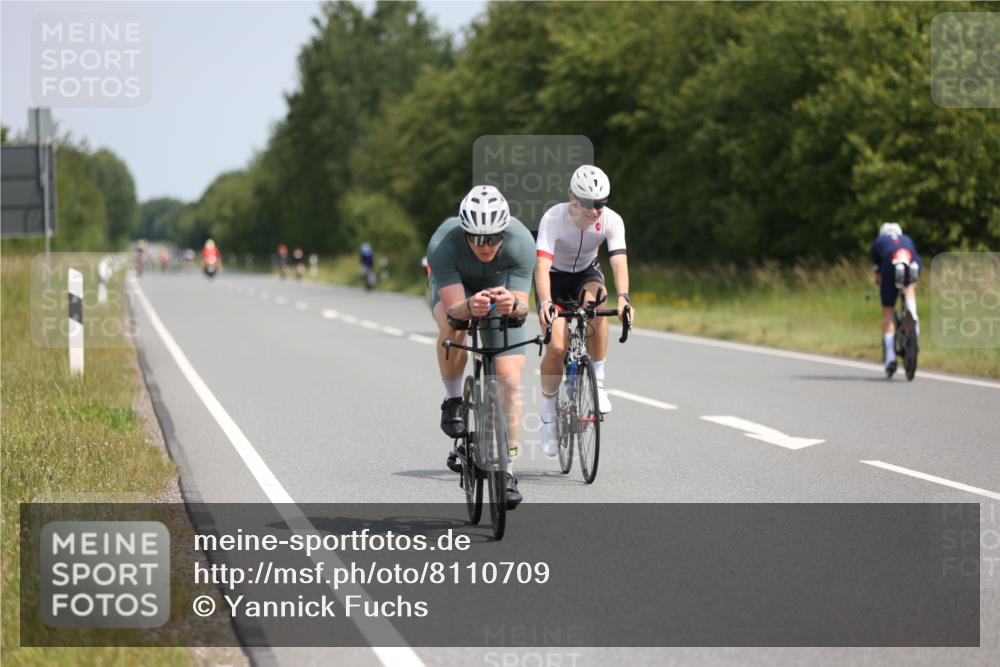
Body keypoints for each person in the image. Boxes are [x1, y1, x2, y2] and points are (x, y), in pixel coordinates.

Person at [427, 185, 535, 507]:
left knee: (510, 382)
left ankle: (508, 470)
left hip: (500, 288)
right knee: (453, 329)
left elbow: (521, 311)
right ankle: (454, 398)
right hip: (458, 293)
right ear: (464, 232)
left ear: (504, 232)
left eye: (491, 238)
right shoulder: (443, 244)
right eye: (475, 238)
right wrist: (468, 306)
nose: (484, 245)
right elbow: (454, 311)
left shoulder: (521, 243)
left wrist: (511, 306)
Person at [535, 165, 634, 456]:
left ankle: (598, 381)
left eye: (601, 202)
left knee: (599, 300)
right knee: (556, 346)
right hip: (553, 279)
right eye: (590, 203)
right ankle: (549, 412)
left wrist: (625, 298)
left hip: (586, 276)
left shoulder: (612, 220)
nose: (596, 210)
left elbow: (618, 262)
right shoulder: (553, 218)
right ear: (572, 199)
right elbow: (541, 265)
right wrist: (543, 303)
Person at [870, 222, 923, 376]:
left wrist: (879, 279)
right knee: (909, 287)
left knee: (888, 312)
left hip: (890, 264)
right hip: (911, 262)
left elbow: (877, 270)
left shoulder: (879, 241)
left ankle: (891, 358)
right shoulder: (906, 238)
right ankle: (914, 317)